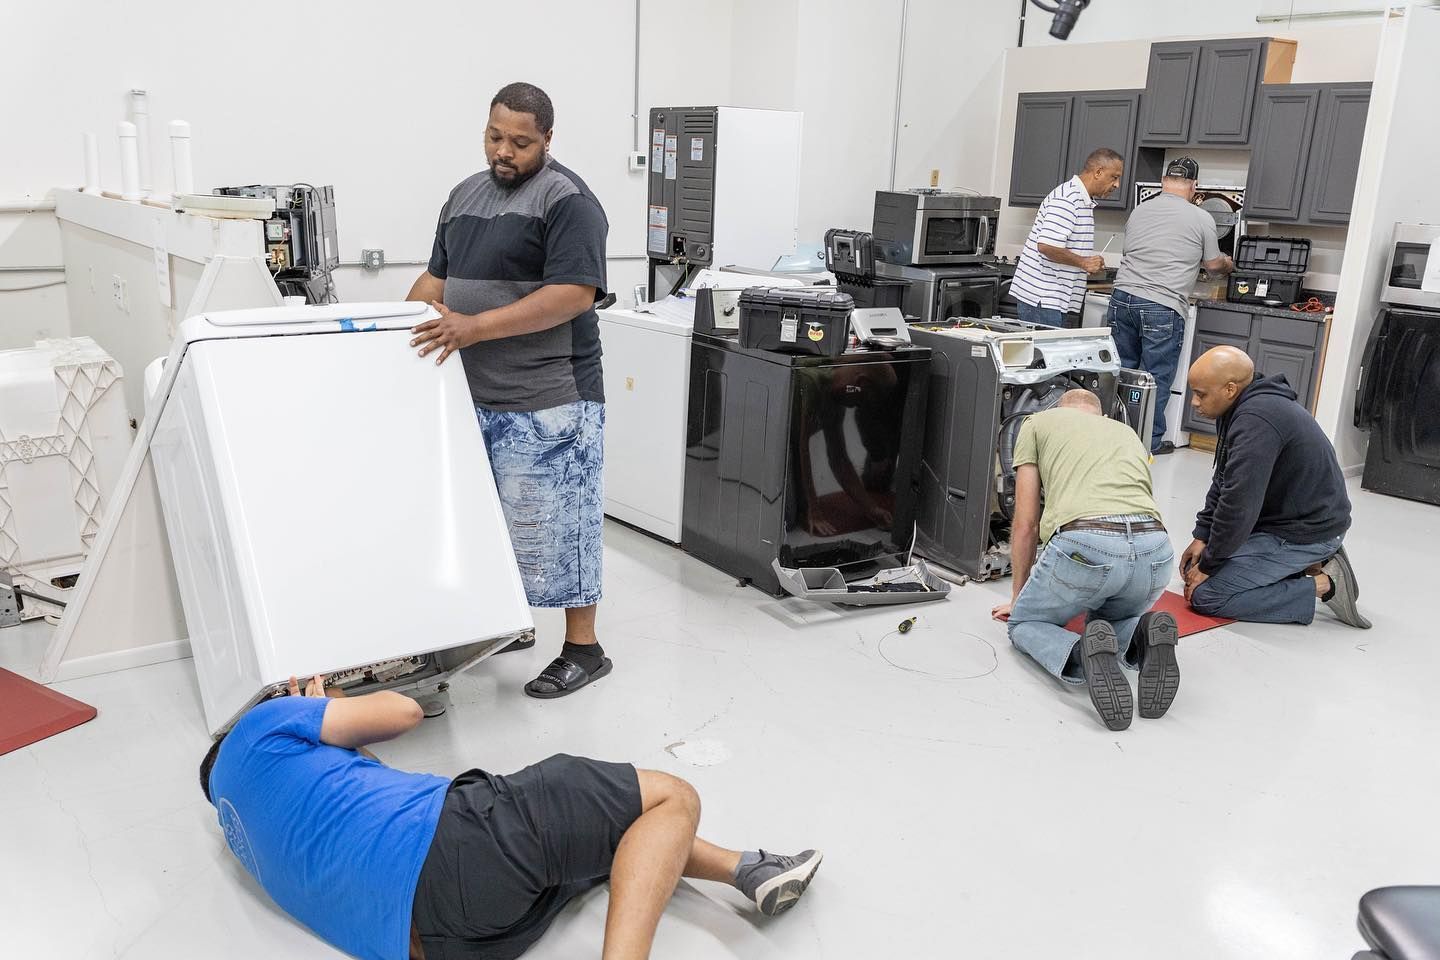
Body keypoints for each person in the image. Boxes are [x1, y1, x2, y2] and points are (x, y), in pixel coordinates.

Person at [200, 675, 823, 960]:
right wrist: (332, 704)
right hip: (456, 850)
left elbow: (357, 784)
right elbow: (403, 716)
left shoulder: (239, 833)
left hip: (452, 943)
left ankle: (747, 869)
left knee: (623, 841)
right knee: (671, 799)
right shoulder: (258, 725)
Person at [407, 82, 612, 699]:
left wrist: (473, 328)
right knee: (493, 523)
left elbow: (572, 295)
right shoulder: (463, 195)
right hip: (477, 396)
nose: (504, 151)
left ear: (547, 140)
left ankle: (585, 647)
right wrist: (386, 329)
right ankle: (508, 622)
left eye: (520, 142)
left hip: (551, 395)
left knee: (562, 521)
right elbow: (436, 278)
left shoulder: (568, 201)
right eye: (495, 137)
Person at [990, 390, 1180, 732]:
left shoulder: (1037, 423)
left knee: (1024, 625)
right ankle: (1142, 634)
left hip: (1086, 542)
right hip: (1156, 548)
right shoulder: (1126, 432)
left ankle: (1080, 655)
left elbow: (1026, 522)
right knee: (1111, 617)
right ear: (1101, 414)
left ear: (1060, 409)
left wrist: (1019, 598)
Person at [1180, 346, 1370, 629]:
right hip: (1280, 521)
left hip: (1305, 531)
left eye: (1201, 394)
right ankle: (1305, 565)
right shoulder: (1238, 409)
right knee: (1205, 573)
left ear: (1230, 389)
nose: (1195, 402)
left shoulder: (1257, 420)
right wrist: (1203, 536)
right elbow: (1223, 479)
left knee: (1207, 596)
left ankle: (1323, 582)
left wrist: (1209, 564)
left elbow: (1239, 505)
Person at [1107, 156, 1235, 455]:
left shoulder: (1140, 210)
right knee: (1155, 377)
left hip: (1122, 298)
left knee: (1121, 372)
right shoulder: (1202, 217)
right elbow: (1213, 265)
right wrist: (1229, 263)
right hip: (1161, 305)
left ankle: (1114, 438)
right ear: (1193, 186)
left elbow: (1131, 252)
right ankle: (1147, 443)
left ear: (1164, 183)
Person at [1010, 148, 1124, 328]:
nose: (1117, 184)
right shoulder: (1067, 199)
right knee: (1046, 355)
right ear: (1098, 172)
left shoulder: (1081, 200)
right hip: (1044, 299)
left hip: (1052, 300)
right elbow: (1046, 246)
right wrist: (1084, 262)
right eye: (1114, 177)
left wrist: (1086, 261)